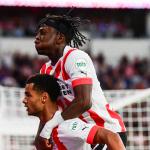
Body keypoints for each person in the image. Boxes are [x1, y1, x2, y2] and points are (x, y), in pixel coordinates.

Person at [34, 14, 127, 149]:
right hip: (78, 135)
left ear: (59, 37)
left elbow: (84, 102)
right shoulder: (45, 70)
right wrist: (40, 136)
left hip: (105, 131)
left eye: (42, 33)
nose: (36, 37)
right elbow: (48, 110)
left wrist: (49, 127)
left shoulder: (75, 57)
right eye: (36, 33)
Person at [23, 74, 126, 150]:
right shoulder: (46, 131)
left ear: (44, 98)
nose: (24, 100)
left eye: (28, 95)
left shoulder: (65, 125)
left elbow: (111, 136)